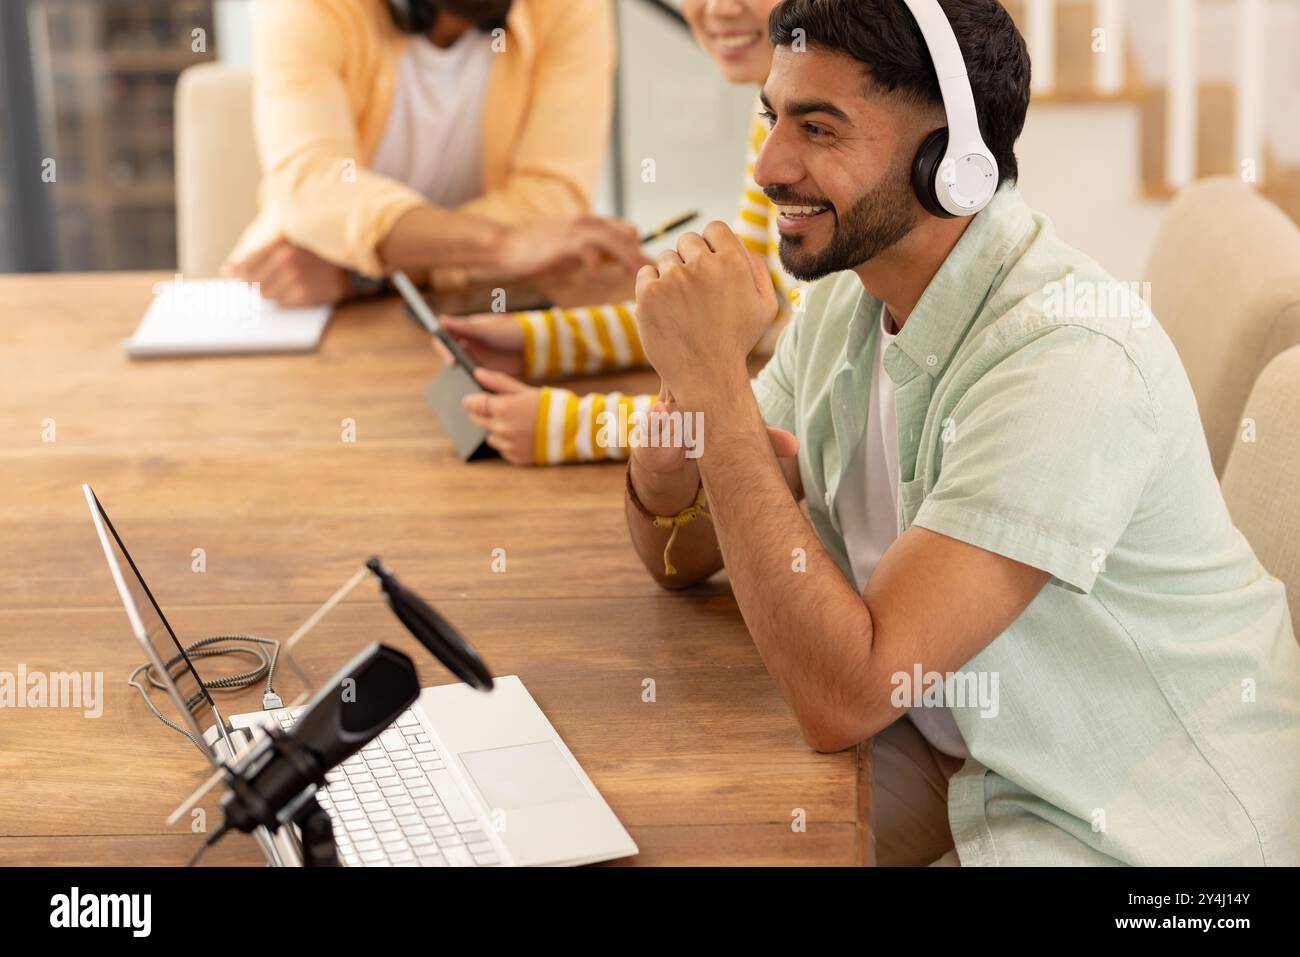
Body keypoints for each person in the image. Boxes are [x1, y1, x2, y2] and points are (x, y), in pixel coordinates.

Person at [623, 0, 1300, 866]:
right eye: (771, 117)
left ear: (953, 161)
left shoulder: (1063, 357)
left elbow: (846, 695)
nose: (769, 167)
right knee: (684, 830)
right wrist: (678, 424)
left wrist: (717, 384)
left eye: (819, 129)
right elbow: (679, 557)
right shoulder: (845, 296)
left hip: (1150, 829)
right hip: (971, 748)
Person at [439, 0, 802, 465]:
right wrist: (543, 342)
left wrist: (571, 425)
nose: (720, 8)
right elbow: (752, 307)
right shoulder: (767, 111)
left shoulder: (835, 147)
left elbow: (799, 412)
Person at [225, 0, 644, 307]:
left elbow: (552, 200)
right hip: (314, 311)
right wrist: (503, 246)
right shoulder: (305, 9)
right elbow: (314, 186)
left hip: (485, 308)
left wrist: (356, 275)